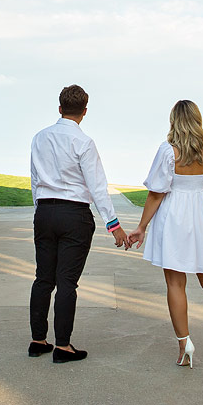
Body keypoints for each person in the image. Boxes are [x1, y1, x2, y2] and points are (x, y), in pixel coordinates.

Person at [126, 100, 203, 368]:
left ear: (174, 122)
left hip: (172, 219)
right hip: (200, 217)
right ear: (198, 120)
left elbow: (156, 193)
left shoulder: (168, 152)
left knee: (176, 284)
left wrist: (141, 227)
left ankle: (185, 344)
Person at [29, 84, 130, 363]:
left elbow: (35, 179)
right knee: (67, 282)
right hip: (75, 215)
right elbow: (98, 187)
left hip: (46, 211)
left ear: (59, 108)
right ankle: (63, 346)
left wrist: (41, 211)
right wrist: (114, 225)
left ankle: (38, 340)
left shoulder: (39, 138)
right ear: (84, 112)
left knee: (43, 278)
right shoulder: (84, 143)